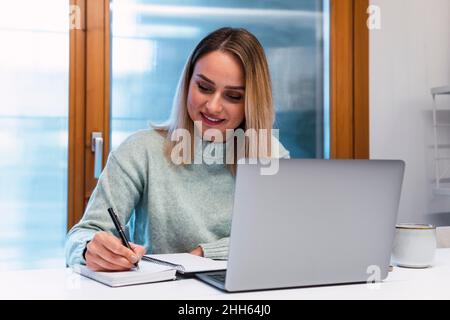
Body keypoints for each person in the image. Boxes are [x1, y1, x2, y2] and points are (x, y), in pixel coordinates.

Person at [65, 27, 289, 272]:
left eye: (233, 96)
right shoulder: (140, 150)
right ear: (187, 83)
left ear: (252, 102)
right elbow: (82, 235)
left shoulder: (271, 156)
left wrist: (205, 254)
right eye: (204, 87)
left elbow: (281, 238)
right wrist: (89, 249)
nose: (213, 107)